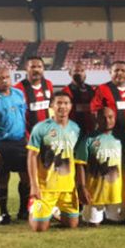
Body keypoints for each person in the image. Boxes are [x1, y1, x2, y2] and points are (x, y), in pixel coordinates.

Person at [26, 91, 81, 232]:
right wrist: (34, 185)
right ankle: (34, 206)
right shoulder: (41, 128)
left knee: (72, 224)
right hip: (46, 187)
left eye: (66, 103)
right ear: (51, 106)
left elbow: (78, 159)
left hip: (68, 187)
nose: (63, 106)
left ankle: (54, 210)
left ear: (71, 106)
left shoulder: (76, 129)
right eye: (59, 103)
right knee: (40, 228)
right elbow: (32, 156)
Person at [0, 66, 30, 224]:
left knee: (26, 177)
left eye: (7, 77)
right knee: (3, 178)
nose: (5, 80)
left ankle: (23, 210)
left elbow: (24, 117)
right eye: (1, 78)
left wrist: (27, 139)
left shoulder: (18, 94)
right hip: (3, 144)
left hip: (21, 142)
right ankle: (4, 213)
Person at [76, 107, 125, 226]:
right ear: (96, 119)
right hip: (94, 193)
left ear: (115, 118)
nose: (107, 120)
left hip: (116, 193)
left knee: (117, 223)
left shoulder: (122, 138)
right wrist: (82, 187)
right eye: (103, 118)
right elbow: (80, 164)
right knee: (93, 224)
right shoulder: (89, 139)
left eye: (110, 117)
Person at [90, 60, 125, 137]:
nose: (120, 73)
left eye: (123, 70)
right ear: (110, 72)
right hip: (111, 136)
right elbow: (94, 112)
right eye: (116, 70)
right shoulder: (102, 89)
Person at [14, 56, 54, 134]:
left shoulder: (48, 84)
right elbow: (17, 117)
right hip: (29, 134)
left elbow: (51, 107)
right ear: (26, 69)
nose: (36, 70)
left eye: (39, 67)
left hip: (47, 132)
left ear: (43, 69)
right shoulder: (18, 89)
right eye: (33, 67)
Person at [62, 61, 96, 136]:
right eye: (76, 71)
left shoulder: (91, 89)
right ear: (70, 73)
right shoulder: (65, 91)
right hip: (72, 131)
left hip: (90, 129)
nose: (79, 73)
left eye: (82, 71)